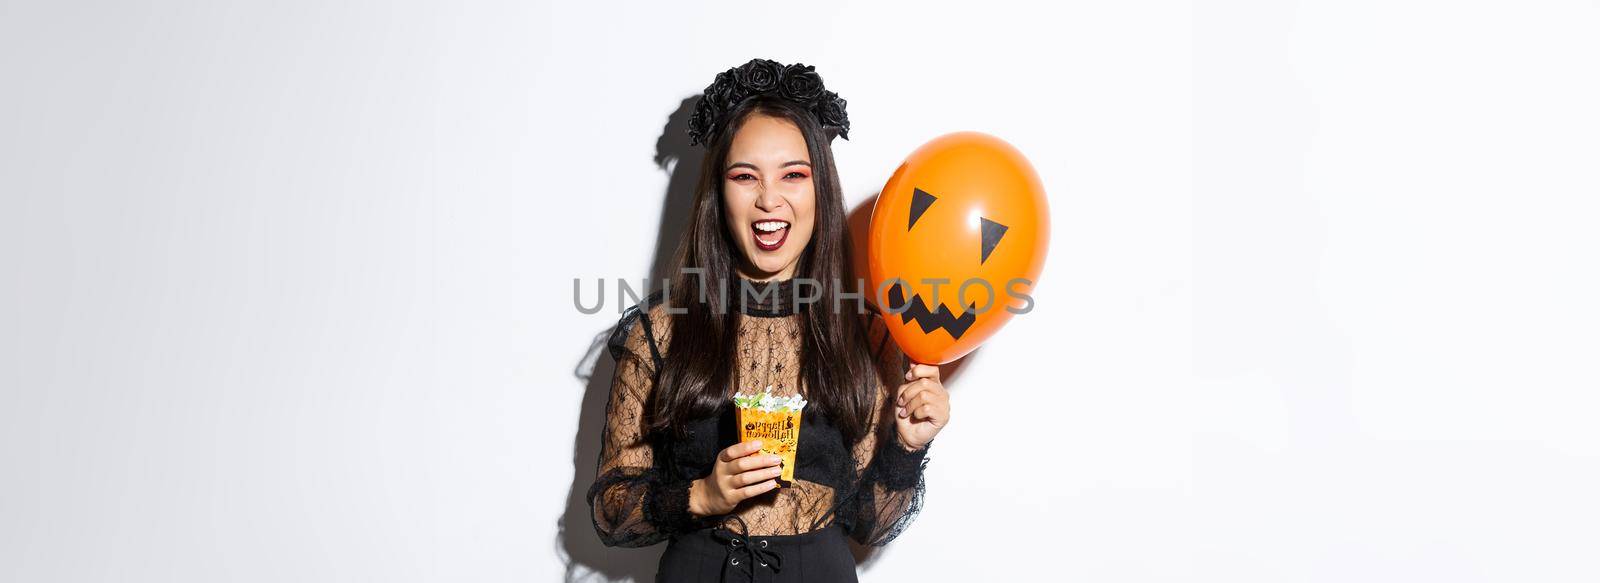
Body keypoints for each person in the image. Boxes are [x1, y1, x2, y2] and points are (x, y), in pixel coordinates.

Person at [586, 58, 951, 583]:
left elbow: (869, 524)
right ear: (719, 194)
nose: (769, 199)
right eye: (744, 176)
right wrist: (701, 495)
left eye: (793, 175)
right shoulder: (664, 330)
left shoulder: (865, 331)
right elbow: (610, 511)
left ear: (819, 190)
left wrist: (907, 448)